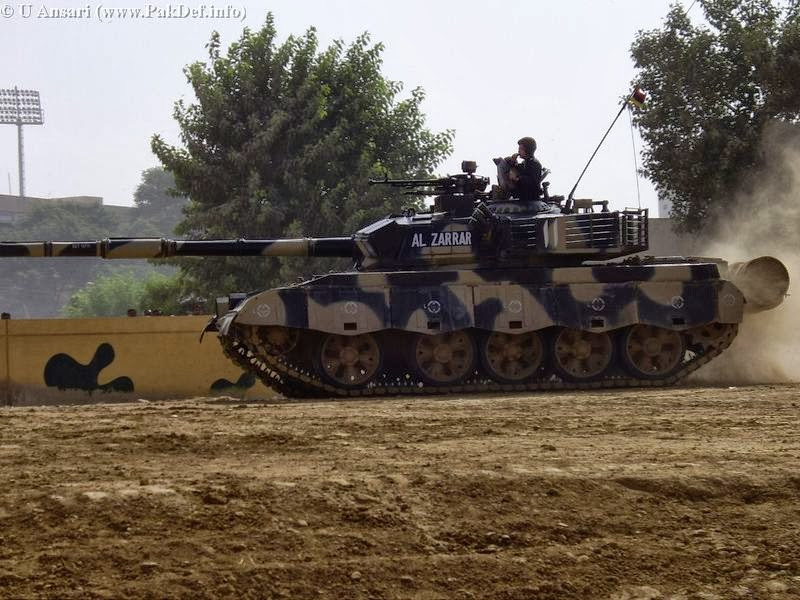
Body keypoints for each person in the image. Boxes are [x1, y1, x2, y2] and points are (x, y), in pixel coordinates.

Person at [495, 136, 544, 202]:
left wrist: (517, 178)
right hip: (523, 197)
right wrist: (512, 162)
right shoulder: (526, 162)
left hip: (530, 199)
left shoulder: (535, 164)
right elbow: (517, 169)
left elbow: (532, 182)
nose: (518, 151)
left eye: (521, 149)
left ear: (528, 150)